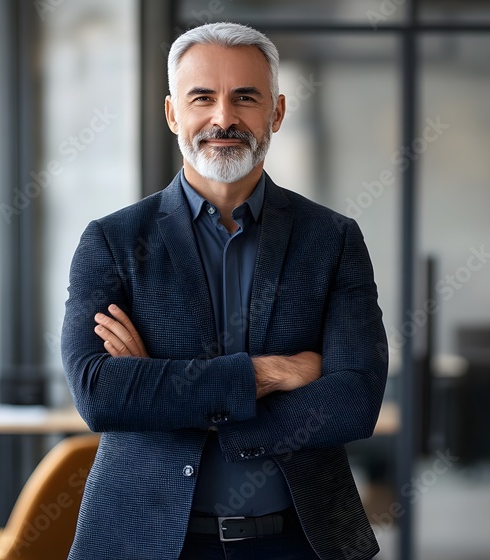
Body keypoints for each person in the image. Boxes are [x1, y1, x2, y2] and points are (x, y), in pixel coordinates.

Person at [60, 22, 388, 560]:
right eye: (203, 98)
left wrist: (158, 389)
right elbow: (98, 393)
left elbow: (355, 400)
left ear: (276, 112)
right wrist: (273, 373)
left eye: (244, 98)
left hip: (301, 540)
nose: (223, 118)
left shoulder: (332, 239)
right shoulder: (113, 240)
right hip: (143, 541)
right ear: (172, 113)